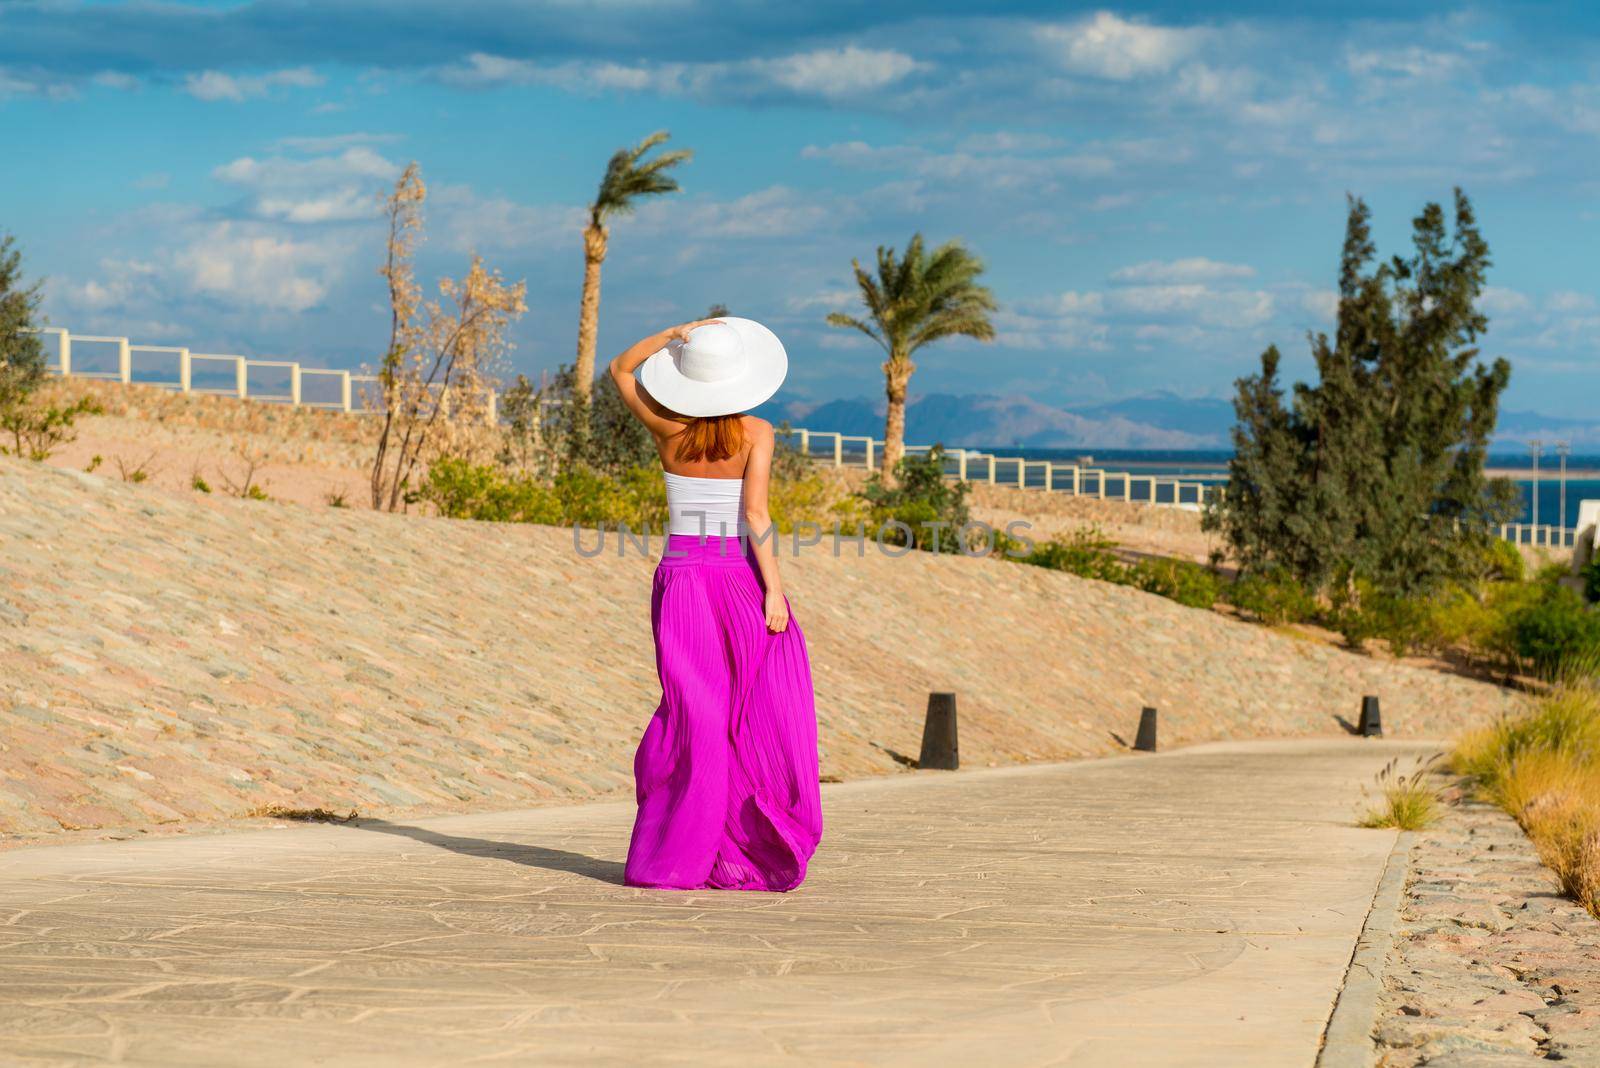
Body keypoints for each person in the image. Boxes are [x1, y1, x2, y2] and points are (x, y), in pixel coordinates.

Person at [606, 316, 823, 892]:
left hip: (679, 580)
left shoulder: (666, 427)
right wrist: (774, 589)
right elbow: (756, 516)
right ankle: (736, 845)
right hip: (734, 579)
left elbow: (619, 368)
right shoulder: (757, 432)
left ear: (689, 381)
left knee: (692, 712)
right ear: (743, 379)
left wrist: (672, 333)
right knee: (748, 708)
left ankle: (677, 854)